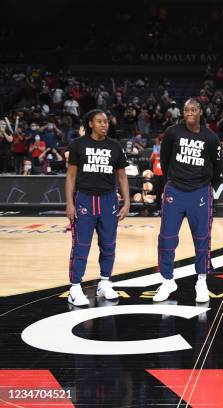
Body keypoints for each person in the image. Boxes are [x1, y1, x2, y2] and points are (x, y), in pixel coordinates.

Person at [153, 99, 222, 303]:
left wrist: (206, 186)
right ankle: (167, 280)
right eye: (186, 110)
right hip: (175, 190)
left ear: (201, 112)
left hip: (200, 192)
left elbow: (217, 170)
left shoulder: (211, 137)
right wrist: (171, 183)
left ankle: (201, 280)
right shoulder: (173, 132)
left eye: (193, 109)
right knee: (166, 239)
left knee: (202, 239)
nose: (189, 113)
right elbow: (165, 161)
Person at [65, 109, 130, 306]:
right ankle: (75, 287)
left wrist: (127, 202)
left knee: (109, 245)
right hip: (84, 199)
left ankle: (104, 282)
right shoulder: (78, 144)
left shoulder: (115, 146)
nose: (104, 125)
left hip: (108, 200)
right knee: (81, 246)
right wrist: (69, 203)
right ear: (91, 124)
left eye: (106, 122)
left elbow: (122, 176)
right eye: (100, 122)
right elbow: (71, 176)